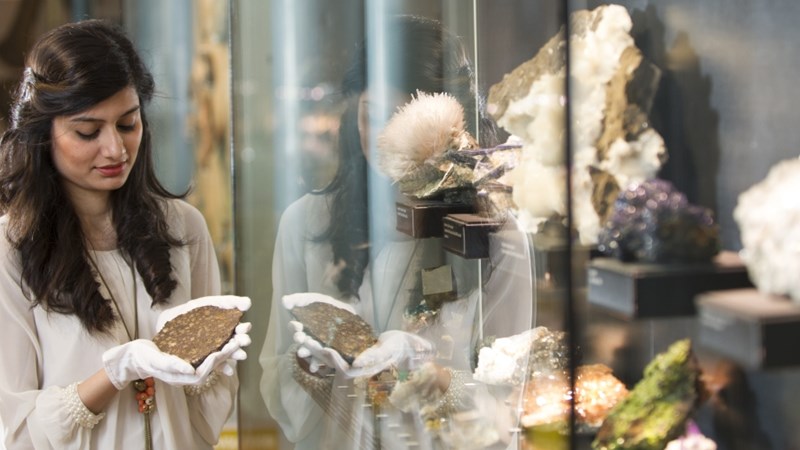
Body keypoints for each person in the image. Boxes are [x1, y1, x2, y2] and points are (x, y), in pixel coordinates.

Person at [260, 15, 526, 450]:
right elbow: (277, 374)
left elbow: (511, 391)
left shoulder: (496, 235)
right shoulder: (307, 222)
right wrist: (313, 367)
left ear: (455, 127)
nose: (386, 142)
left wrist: (431, 376)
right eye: (372, 116)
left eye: (406, 124)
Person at [0, 20, 251, 449]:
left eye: (128, 124)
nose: (115, 150)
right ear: (43, 135)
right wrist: (117, 372)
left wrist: (205, 367)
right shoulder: (12, 250)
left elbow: (205, 414)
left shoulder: (182, 227)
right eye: (87, 131)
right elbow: (18, 432)